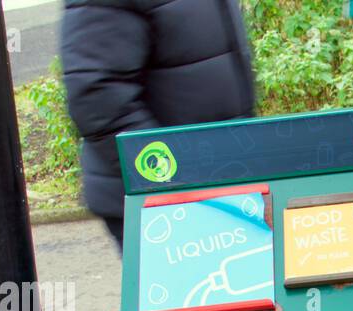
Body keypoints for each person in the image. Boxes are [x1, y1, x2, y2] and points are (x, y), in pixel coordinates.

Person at [60, 0, 257, 248]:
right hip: (165, 203)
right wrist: (173, 182)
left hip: (216, 188)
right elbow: (97, 98)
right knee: (192, 286)